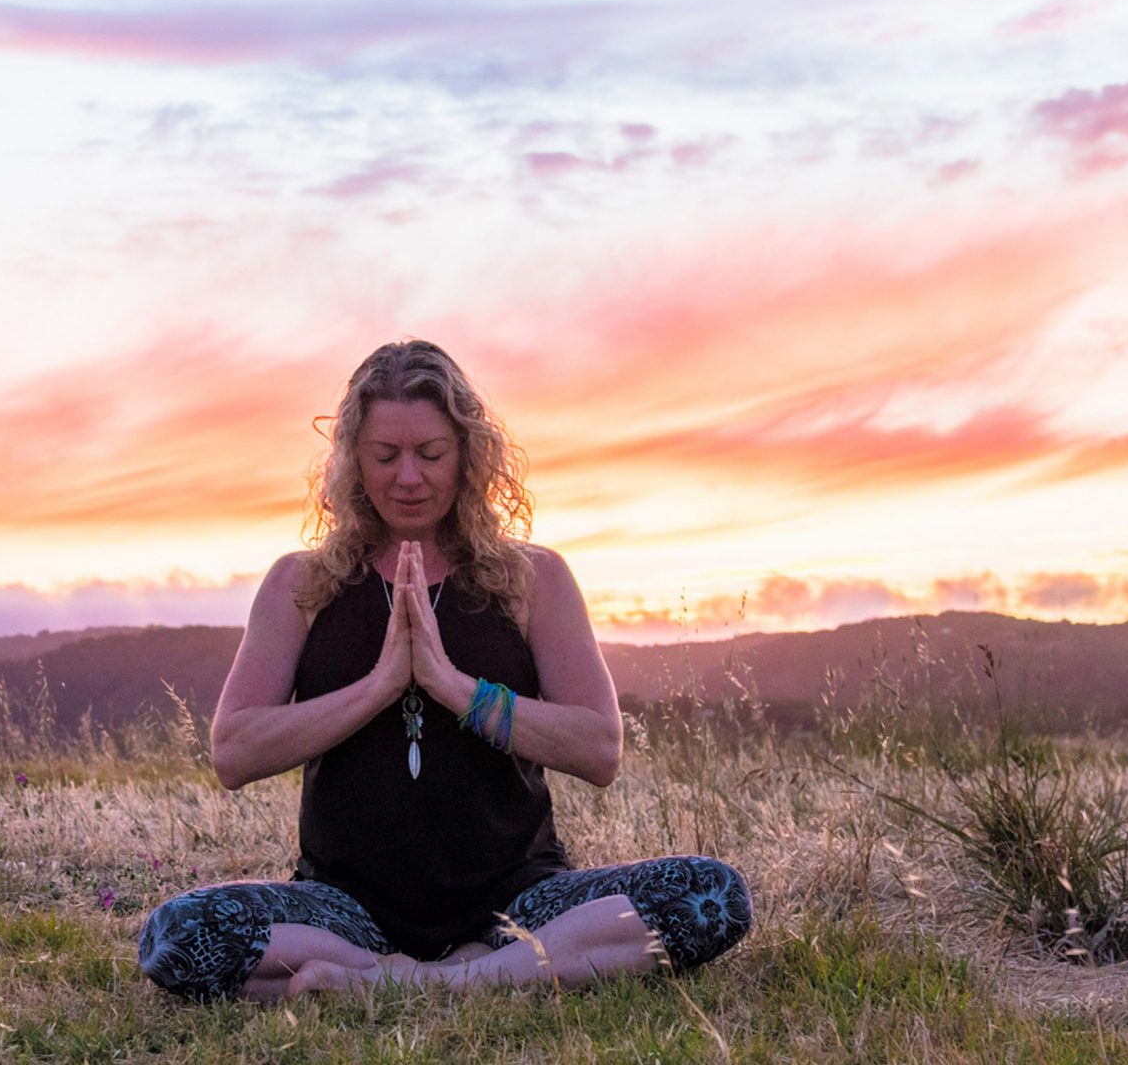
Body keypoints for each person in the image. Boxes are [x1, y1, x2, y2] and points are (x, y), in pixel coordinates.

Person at [138, 341, 751, 1000]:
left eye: (429, 454)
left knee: (711, 897)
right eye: (385, 456)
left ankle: (436, 982)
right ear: (351, 459)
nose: (408, 477)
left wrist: (452, 687)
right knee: (176, 935)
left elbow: (599, 748)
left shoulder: (533, 579)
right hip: (344, 912)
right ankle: (448, 976)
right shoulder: (302, 584)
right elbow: (233, 753)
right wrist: (378, 687)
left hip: (517, 903)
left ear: (467, 454)